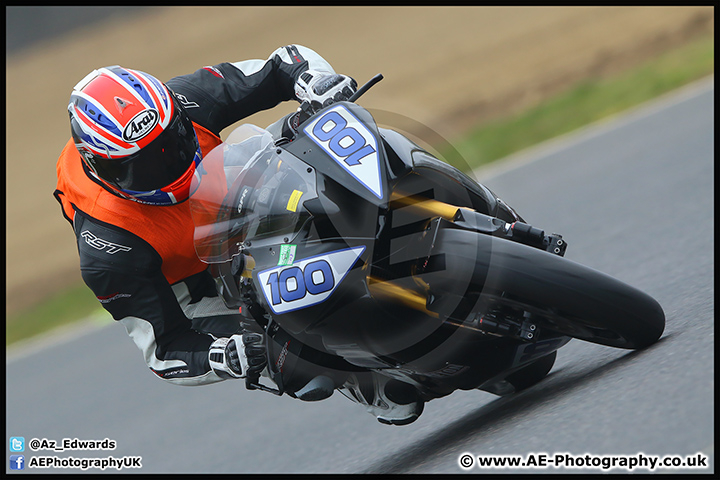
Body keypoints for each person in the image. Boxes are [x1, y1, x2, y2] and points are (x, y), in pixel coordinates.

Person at [54, 45, 424, 425]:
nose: (168, 164)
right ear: (102, 168)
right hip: (197, 283)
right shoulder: (107, 250)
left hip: (232, 200)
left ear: (177, 115)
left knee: (321, 133)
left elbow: (284, 61)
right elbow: (164, 350)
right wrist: (226, 356)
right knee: (283, 357)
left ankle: (427, 195)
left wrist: (314, 82)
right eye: (144, 167)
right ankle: (359, 378)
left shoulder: (186, 98)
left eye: (174, 143)